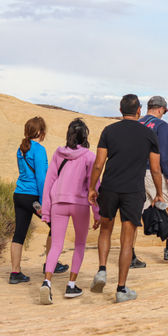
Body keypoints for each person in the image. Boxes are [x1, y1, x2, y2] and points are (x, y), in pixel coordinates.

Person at [87, 94, 164, 303]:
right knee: (127, 241)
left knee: (105, 229)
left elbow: (98, 164)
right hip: (133, 191)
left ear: (120, 110)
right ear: (139, 110)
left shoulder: (109, 130)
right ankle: (121, 289)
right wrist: (158, 192)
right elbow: (155, 169)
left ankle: (102, 270)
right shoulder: (148, 134)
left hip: (110, 187)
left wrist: (92, 188)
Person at [39, 118, 101, 305]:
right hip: (80, 204)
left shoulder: (58, 154)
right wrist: (97, 213)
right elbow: (94, 186)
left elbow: (49, 181)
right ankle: (71, 285)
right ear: (85, 136)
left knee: (56, 245)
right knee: (80, 244)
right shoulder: (90, 157)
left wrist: (46, 211)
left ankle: (47, 282)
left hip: (58, 201)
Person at [9, 117, 68, 285]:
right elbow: (42, 179)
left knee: (19, 233)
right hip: (33, 197)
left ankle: (15, 272)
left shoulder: (21, 149)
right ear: (41, 133)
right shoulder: (39, 150)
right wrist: (45, 203)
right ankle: (51, 264)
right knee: (56, 226)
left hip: (19, 194)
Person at [131, 95, 168, 267]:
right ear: (160, 109)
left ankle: (130, 255)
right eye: (164, 111)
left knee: (134, 214)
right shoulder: (161, 125)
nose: (163, 114)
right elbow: (163, 153)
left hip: (134, 173)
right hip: (152, 172)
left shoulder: (136, 124)